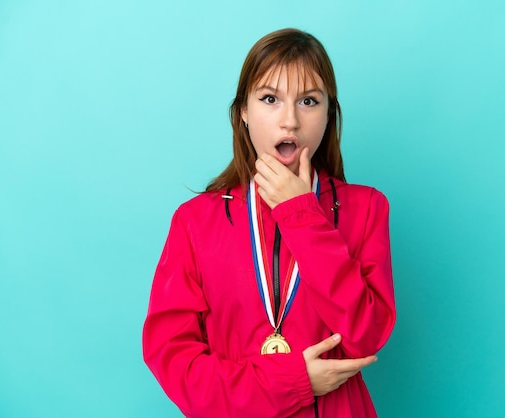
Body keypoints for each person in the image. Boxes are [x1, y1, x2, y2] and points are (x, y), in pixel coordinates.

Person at [142, 28, 396, 418]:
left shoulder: (365, 208)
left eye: (309, 101)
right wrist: (294, 381)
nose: (290, 120)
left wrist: (302, 215)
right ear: (243, 111)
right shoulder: (194, 222)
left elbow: (366, 335)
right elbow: (176, 365)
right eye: (270, 99)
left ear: (330, 114)